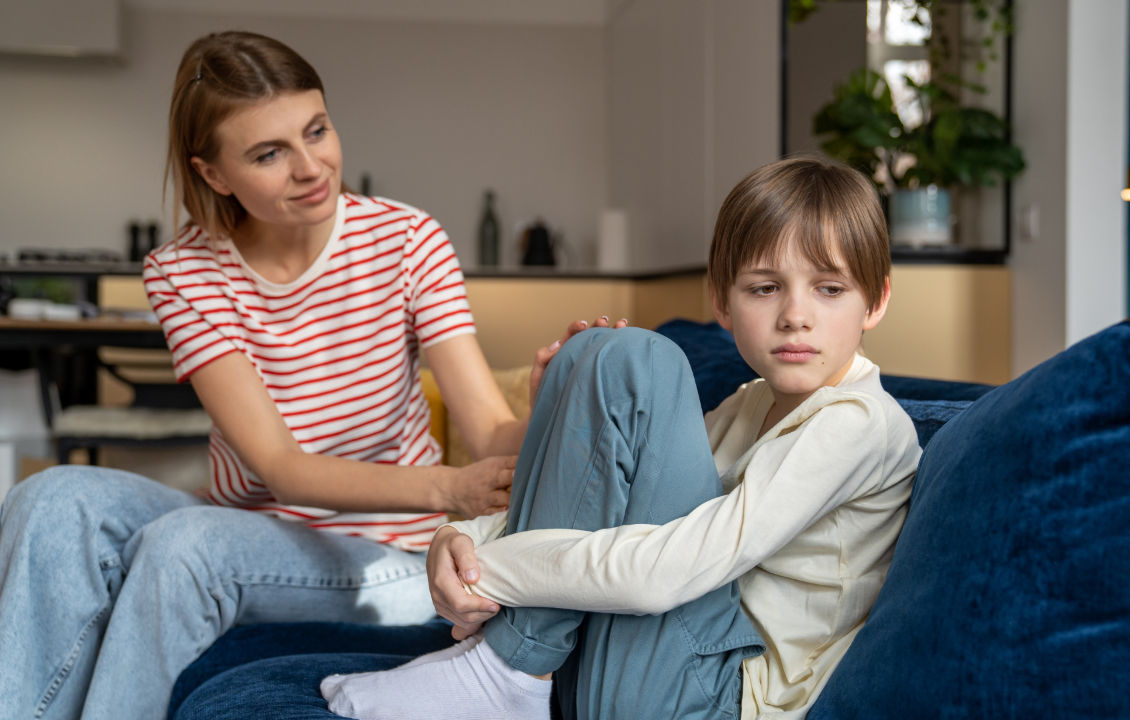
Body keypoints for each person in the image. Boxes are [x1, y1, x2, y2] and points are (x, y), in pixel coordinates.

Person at [0, 31, 616, 720]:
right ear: (214, 175)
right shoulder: (183, 270)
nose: (311, 166)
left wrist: (547, 405)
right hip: (244, 530)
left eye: (316, 130)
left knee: (187, 546)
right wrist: (450, 483)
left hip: (388, 553)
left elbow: (491, 433)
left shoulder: (407, 241)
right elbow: (280, 468)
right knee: (50, 501)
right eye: (269, 153)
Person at [320, 156, 923, 720]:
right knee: (595, 352)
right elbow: (610, 496)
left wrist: (490, 570)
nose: (796, 314)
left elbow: (664, 572)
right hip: (642, 668)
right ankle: (512, 674)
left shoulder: (859, 423)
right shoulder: (750, 403)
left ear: (877, 301)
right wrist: (457, 538)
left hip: (721, 699)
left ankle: (506, 671)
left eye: (830, 289)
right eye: (764, 288)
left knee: (640, 362)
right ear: (722, 301)